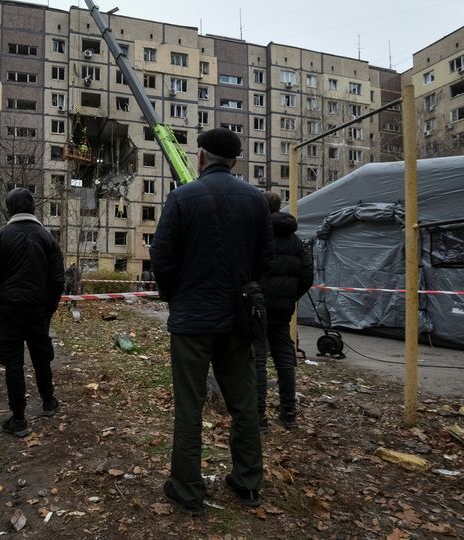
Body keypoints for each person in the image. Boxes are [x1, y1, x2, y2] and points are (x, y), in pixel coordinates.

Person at [150, 128, 274, 515]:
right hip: (238, 320)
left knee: (190, 406)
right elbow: (266, 260)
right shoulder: (256, 200)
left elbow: (162, 257)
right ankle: (248, 483)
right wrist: (243, 287)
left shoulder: (182, 197)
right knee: (244, 404)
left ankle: (187, 490)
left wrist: (176, 296)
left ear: (201, 158)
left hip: (192, 321)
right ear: (235, 161)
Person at [0, 188, 65, 438]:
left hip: (8, 309)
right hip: (37, 308)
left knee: (13, 362)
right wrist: (48, 309)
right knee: (41, 356)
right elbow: (57, 280)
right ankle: (49, 401)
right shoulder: (48, 239)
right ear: (32, 208)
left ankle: (18, 419)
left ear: (9, 209)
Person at [254, 191, 313, 432]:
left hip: (258, 307)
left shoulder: (258, 236)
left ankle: (259, 416)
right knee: (285, 361)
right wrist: (290, 296)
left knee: (258, 359)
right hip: (284, 308)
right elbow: (307, 276)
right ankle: (289, 413)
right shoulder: (296, 240)